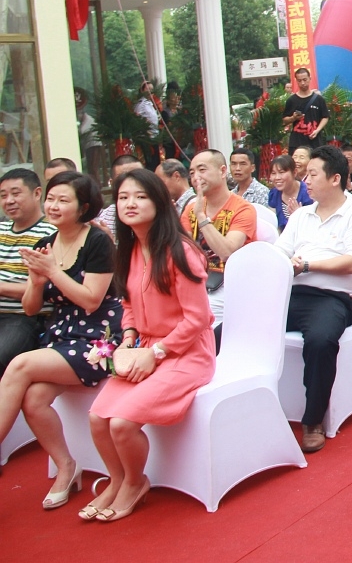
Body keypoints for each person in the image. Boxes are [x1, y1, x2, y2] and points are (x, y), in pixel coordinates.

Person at [85, 168, 214, 522]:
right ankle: (117, 480)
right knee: (97, 417)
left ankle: (134, 482)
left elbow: (197, 320)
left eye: (140, 197)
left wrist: (155, 353)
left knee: (121, 423)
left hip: (186, 353)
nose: (130, 203)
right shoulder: (129, 250)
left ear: (159, 202)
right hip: (145, 349)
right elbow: (128, 305)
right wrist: (128, 340)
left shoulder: (180, 252)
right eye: (123, 197)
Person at [0, 172, 116, 510]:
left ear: (83, 207)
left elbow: (91, 300)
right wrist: (36, 283)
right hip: (61, 334)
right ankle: (66, 466)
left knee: (19, 365)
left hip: (99, 337)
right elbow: (31, 308)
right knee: (34, 399)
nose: (53, 206)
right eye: (51, 199)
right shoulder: (46, 243)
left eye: (63, 200)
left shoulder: (97, 241)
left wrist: (52, 272)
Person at [276, 146, 352, 453]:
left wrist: (308, 265)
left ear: (335, 178)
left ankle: (313, 420)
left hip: (332, 299)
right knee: (232, 329)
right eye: (305, 174)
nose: (305, 180)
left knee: (321, 341)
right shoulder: (301, 216)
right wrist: (285, 263)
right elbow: (280, 252)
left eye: (312, 175)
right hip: (291, 293)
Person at [180, 150, 257, 337]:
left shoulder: (243, 209)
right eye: (192, 173)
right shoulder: (189, 210)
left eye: (202, 170)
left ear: (222, 171)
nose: (196, 178)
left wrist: (202, 218)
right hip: (197, 282)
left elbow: (227, 251)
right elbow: (182, 252)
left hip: (230, 285)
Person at [0, 169, 56, 375]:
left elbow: (49, 288)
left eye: (16, 193)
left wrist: (2, 288)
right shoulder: (1, 230)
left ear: (37, 193)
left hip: (24, 317)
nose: (9, 201)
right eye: (3, 195)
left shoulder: (51, 233)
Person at [283, 67, 330, 153]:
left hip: (315, 141)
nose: (302, 83)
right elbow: (284, 120)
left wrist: (317, 130)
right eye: (299, 80)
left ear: (310, 78)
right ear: (296, 81)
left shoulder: (319, 99)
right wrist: (293, 118)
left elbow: (325, 117)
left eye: (305, 80)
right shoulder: (291, 100)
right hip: (297, 142)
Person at [267, 153, 314, 230]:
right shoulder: (274, 194)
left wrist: (299, 215)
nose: (277, 177)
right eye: (273, 173)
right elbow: (273, 224)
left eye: (281, 172)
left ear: (294, 172)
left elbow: (312, 225)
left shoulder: (308, 193)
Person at [133, 82, 162, 170]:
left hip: (155, 136)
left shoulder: (151, 103)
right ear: (142, 91)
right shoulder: (141, 104)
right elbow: (137, 118)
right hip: (147, 137)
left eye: (152, 89)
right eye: (148, 89)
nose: (150, 91)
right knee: (151, 162)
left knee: (157, 161)